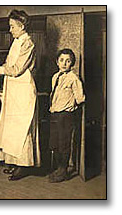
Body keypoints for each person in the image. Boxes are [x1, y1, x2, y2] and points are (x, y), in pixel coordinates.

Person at [0, 9, 40, 181]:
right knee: (12, 127)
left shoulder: (27, 43)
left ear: (22, 26)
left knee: (22, 128)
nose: (9, 29)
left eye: (12, 26)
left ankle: (23, 165)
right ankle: (15, 162)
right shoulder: (17, 41)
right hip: (14, 89)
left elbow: (17, 69)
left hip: (23, 90)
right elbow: (10, 65)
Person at [49, 48, 85, 183]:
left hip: (66, 116)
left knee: (64, 143)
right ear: (57, 62)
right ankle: (58, 168)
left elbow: (80, 98)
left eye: (68, 61)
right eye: (62, 60)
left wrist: (72, 104)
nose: (64, 63)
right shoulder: (55, 77)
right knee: (55, 143)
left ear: (72, 63)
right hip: (55, 114)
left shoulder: (73, 78)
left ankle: (63, 170)